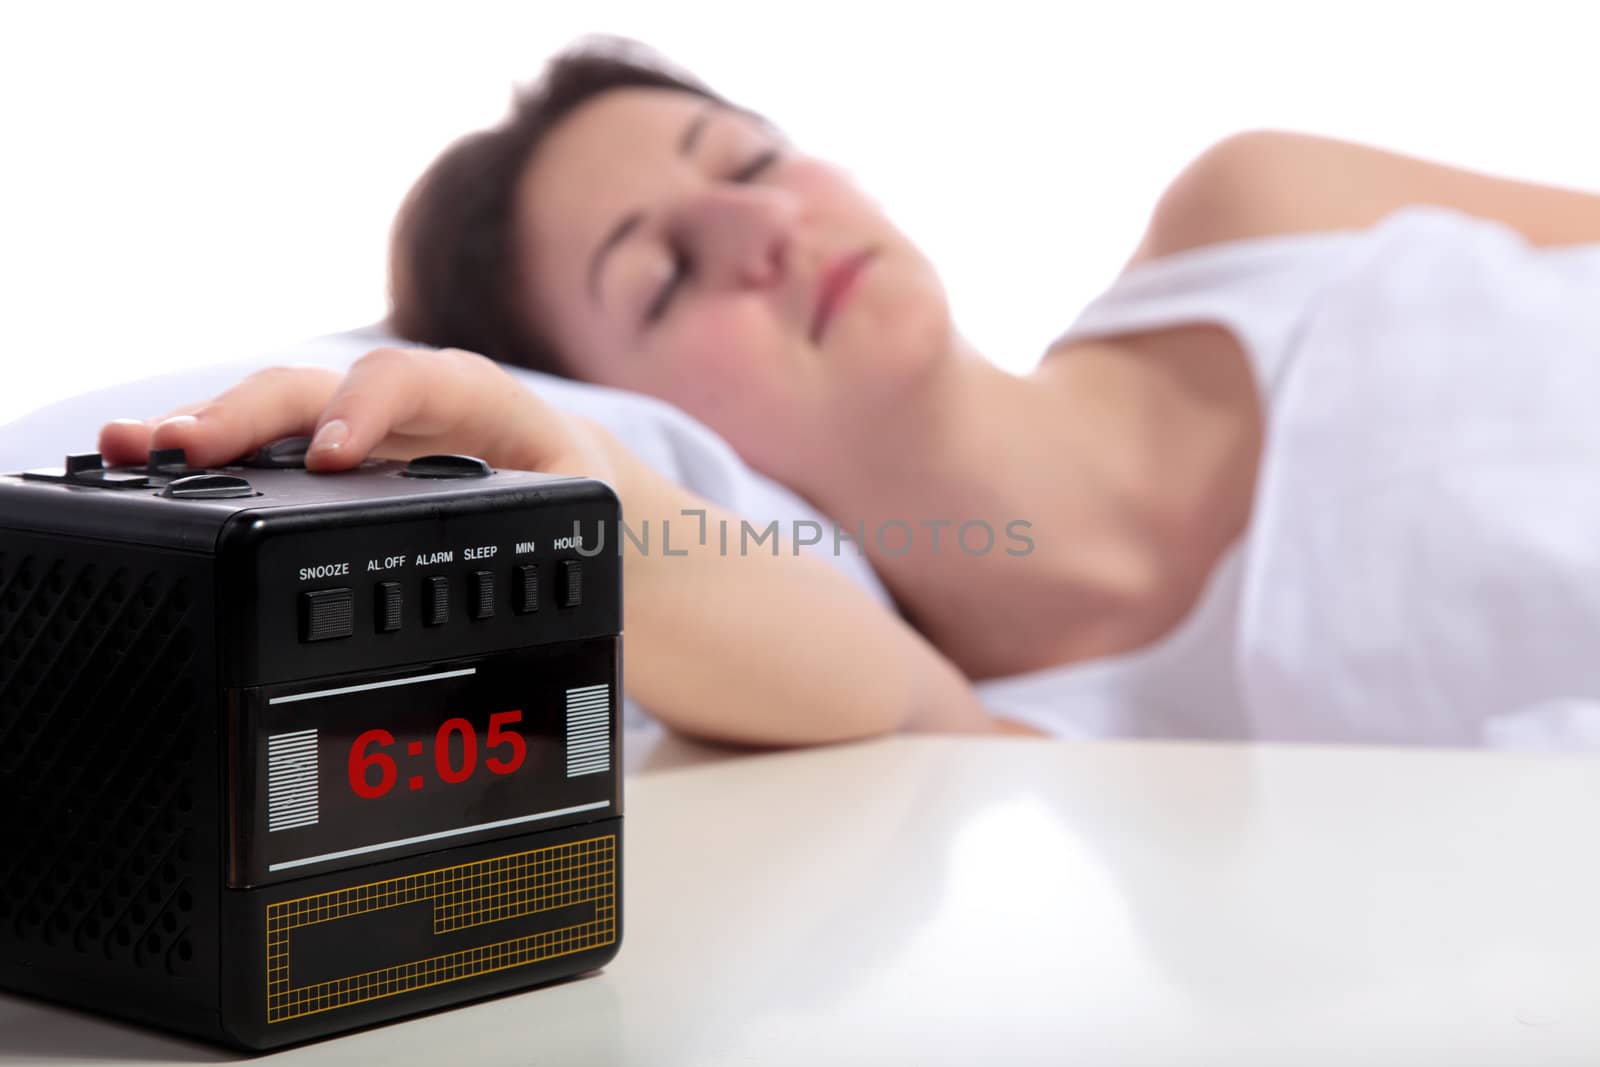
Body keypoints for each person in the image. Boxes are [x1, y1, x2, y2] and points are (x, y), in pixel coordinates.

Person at [98, 37, 1600, 749]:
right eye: (662, 279)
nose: (761, 232)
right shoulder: (1026, 752)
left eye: (746, 161)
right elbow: (672, 558)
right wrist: (520, 447)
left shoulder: (1264, 210)